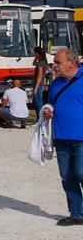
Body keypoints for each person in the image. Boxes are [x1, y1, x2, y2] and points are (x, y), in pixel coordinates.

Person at [42, 48, 83, 226]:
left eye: (58, 62)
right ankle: (77, 214)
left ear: (71, 63)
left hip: (81, 138)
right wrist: (47, 109)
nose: (54, 66)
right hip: (61, 136)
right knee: (67, 176)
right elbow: (50, 102)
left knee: (81, 172)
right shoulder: (57, 82)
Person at [32, 47, 50, 111]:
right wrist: (37, 57)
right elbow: (33, 63)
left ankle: (40, 118)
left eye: (35, 53)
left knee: (38, 103)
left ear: (37, 53)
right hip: (42, 84)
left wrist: (35, 88)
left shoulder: (40, 63)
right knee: (39, 102)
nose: (34, 54)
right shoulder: (44, 62)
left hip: (39, 85)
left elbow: (39, 76)